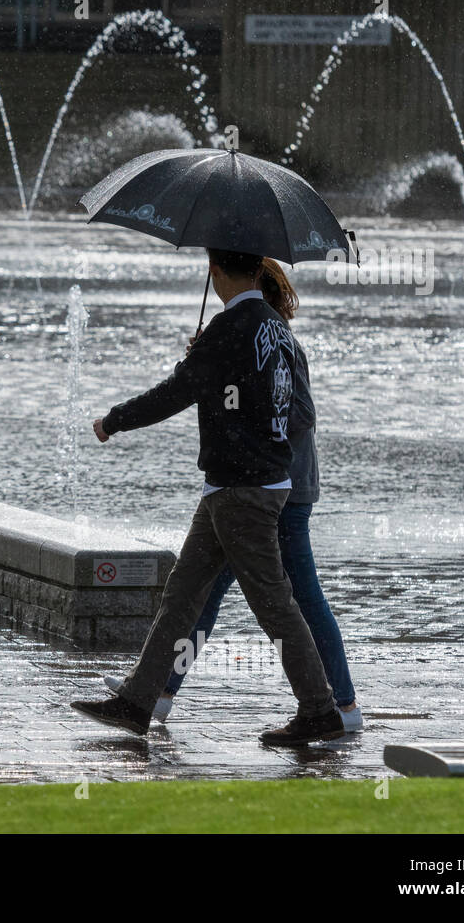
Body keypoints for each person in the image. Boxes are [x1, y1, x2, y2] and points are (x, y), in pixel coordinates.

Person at [70, 248, 344, 746]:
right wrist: (212, 363)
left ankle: (321, 708)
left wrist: (114, 420)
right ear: (258, 270)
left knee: (275, 605)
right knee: (183, 595)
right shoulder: (276, 329)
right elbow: (251, 396)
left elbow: (175, 393)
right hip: (241, 485)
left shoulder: (230, 328)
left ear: (215, 271)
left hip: (243, 490)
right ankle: (138, 702)